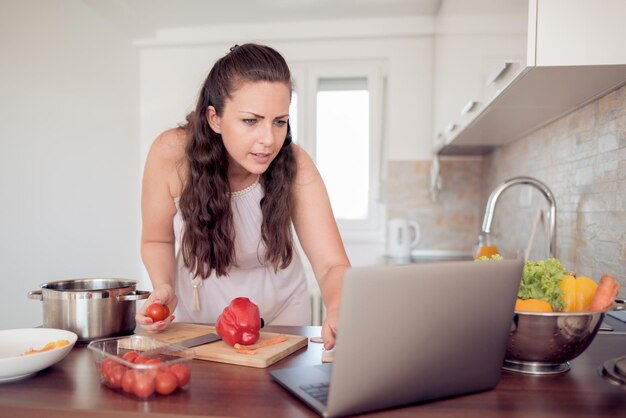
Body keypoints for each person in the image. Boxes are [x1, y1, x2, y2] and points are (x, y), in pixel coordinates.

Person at [136, 43, 350, 350]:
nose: (269, 140)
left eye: (279, 121)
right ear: (215, 118)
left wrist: (340, 309)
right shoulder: (171, 155)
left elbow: (332, 265)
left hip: (281, 318)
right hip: (197, 321)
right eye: (251, 121)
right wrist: (164, 286)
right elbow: (157, 239)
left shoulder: (295, 164)